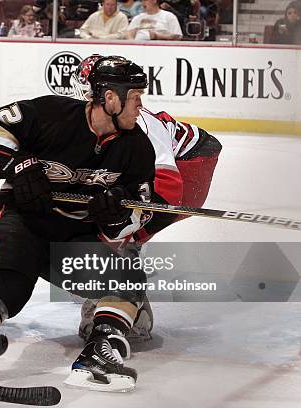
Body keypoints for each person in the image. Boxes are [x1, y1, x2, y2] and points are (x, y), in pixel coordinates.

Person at [0, 56, 157, 395]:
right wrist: (15, 166)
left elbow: (137, 214)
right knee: (6, 291)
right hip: (21, 220)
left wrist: (115, 217)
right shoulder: (52, 115)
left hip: (72, 237)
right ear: (110, 97)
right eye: (135, 97)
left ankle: (98, 355)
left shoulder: (137, 150)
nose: (140, 105)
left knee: (128, 278)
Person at [70, 54, 222, 342]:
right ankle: (129, 300)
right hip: (172, 167)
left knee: (119, 231)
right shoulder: (103, 119)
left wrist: (124, 233)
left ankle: (124, 303)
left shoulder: (141, 124)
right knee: (110, 223)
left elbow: (167, 187)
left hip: (192, 163)